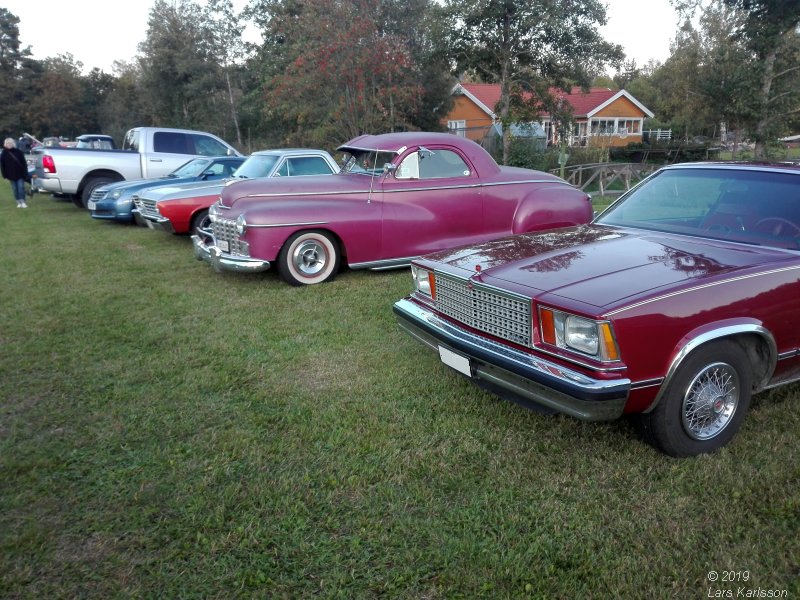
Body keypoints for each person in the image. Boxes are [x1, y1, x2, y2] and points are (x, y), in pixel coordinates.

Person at [1, 137, 30, 208]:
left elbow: (24, 163)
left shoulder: (19, 152)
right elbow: (2, 165)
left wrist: (25, 173)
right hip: (10, 175)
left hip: (20, 173)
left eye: (10, 143)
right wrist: (4, 175)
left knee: (21, 187)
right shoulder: (3, 153)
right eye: (7, 143)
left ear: (13, 143)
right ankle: (18, 201)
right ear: (5, 144)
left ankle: (23, 201)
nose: (9, 144)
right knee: (14, 189)